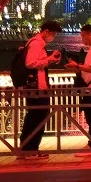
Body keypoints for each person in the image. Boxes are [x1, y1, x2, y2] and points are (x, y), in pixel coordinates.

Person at [18, 20, 62, 159]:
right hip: (36, 88)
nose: (53, 37)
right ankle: (31, 149)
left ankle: (27, 149)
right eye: (53, 34)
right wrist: (49, 60)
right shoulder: (36, 43)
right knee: (38, 118)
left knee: (33, 117)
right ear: (46, 31)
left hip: (36, 87)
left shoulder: (36, 43)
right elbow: (30, 63)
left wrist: (50, 59)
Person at [64, 24, 91, 156]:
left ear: (90, 34)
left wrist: (77, 66)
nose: (82, 39)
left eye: (83, 36)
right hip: (90, 87)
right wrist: (78, 67)